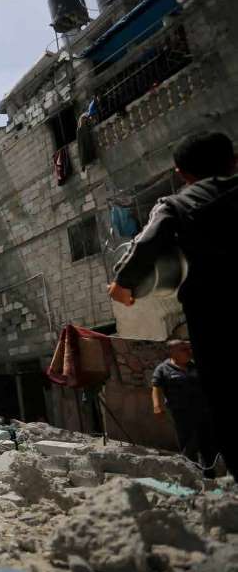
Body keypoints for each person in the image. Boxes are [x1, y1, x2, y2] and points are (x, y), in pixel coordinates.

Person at [109, 131, 238, 476]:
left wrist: (122, 286)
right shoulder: (166, 371)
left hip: (216, 319)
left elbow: (145, 245)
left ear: (181, 173)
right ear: (233, 161)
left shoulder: (177, 205)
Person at [152, 340, 217, 477]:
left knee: (207, 444)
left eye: (188, 348)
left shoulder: (193, 365)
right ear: (172, 352)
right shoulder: (163, 369)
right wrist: (157, 406)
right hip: (182, 414)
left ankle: (210, 476)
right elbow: (156, 388)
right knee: (189, 446)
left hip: (203, 411)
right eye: (183, 349)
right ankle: (192, 476)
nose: (188, 351)